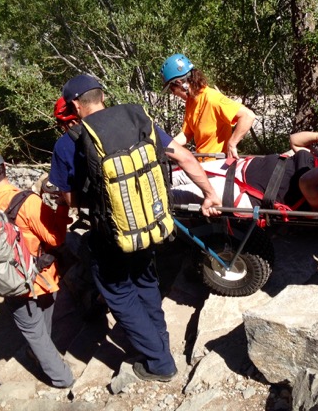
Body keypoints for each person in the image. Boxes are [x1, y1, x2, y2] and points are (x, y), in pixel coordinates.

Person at [50, 74, 222, 387]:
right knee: (145, 280)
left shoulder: (68, 142)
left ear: (75, 105)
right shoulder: (137, 119)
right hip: (150, 223)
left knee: (119, 293)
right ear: (102, 95)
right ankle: (158, 339)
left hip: (111, 234)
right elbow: (183, 156)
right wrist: (210, 194)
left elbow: (70, 199)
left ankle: (159, 362)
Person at [0, 144, 75, 388]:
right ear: (4, 167)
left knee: (33, 328)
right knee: (39, 325)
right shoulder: (28, 202)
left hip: (9, 280)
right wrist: (63, 207)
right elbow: (55, 238)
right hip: (41, 276)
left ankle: (41, 354)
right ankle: (62, 378)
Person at [172, 130, 318, 212]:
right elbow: (295, 140)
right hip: (238, 167)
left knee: (172, 195)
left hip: (242, 191)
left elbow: (306, 183)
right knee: (179, 172)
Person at [160, 53, 256, 160]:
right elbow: (187, 134)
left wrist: (232, 143)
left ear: (180, 83)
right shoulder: (190, 102)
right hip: (202, 164)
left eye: (172, 89)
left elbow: (248, 115)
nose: (173, 93)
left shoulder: (212, 98)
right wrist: (164, 147)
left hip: (218, 165)